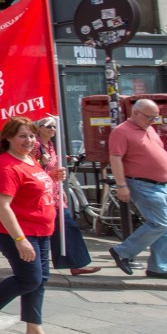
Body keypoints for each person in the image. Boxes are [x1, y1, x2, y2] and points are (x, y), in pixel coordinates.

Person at [0, 117, 67, 334]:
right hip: (18, 232)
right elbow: (1, 205)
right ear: (8, 138)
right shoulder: (4, 165)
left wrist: (52, 178)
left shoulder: (30, 159)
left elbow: (31, 188)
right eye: (22, 136)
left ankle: (34, 331)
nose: (29, 140)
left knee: (39, 280)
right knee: (29, 278)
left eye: (31, 136)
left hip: (41, 230)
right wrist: (20, 240)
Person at [107, 99, 167, 280]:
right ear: (136, 113)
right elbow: (115, 158)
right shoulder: (121, 131)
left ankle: (158, 267)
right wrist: (121, 185)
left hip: (162, 185)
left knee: (166, 229)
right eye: (149, 117)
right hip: (143, 184)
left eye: (155, 117)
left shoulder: (149, 129)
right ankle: (122, 251)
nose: (152, 121)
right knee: (159, 224)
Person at [33, 117, 99, 275]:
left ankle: (73, 262)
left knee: (64, 227)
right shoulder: (36, 145)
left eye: (54, 127)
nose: (52, 130)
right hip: (43, 194)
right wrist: (41, 163)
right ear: (39, 128)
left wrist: (60, 186)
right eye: (48, 126)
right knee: (65, 226)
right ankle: (73, 263)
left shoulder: (50, 145)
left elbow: (54, 168)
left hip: (54, 191)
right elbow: (31, 167)